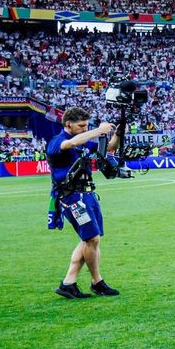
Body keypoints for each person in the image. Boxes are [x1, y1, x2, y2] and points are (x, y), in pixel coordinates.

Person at [46, 107, 120, 299]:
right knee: (92, 239)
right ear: (68, 124)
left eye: (86, 125)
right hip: (71, 197)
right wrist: (97, 130)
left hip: (88, 194)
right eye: (81, 126)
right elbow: (70, 143)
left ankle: (68, 283)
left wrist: (118, 134)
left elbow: (110, 147)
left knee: (90, 239)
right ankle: (97, 282)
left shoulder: (84, 142)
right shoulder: (57, 142)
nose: (84, 129)